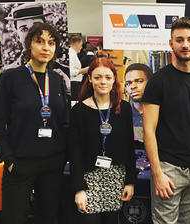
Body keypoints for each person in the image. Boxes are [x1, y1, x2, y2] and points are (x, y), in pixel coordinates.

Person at [142, 16, 190, 224]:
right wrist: (157, 173)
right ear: (171, 44)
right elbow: (148, 130)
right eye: (179, 40)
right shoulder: (158, 82)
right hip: (168, 169)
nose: (185, 44)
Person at [0, 23, 68, 224]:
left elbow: (64, 122)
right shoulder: (11, 78)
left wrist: (64, 156)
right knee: (13, 218)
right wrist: (8, 160)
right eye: (39, 41)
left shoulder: (57, 79)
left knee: (48, 218)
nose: (46, 48)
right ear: (29, 44)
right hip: (20, 162)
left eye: (51, 43)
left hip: (52, 163)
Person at [69, 57, 136, 224]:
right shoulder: (79, 110)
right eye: (97, 77)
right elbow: (74, 152)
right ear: (89, 79)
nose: (103, 82)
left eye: (107, 77)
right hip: (88, 180)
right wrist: (79, 188)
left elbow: (129, 147)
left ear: (114, 79)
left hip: (115, 178)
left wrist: (130, 182)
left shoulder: (125, 108)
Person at [3, 3, 70, 93]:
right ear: (18, 36)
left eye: (36, 26)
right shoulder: (8, 74)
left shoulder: (64, 73)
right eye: (23, 29)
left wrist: (68, 90)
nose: (31, 33)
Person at [124, 63, 153, 147]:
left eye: (139, 81)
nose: (133, 86)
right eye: (128, 83)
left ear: (151, 83)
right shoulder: (123, 115)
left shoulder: (163, 114)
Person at [69, 34, 89, 101]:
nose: (81, 47)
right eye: (81, 45)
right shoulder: (71, 54)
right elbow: (70, 71)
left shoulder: (73, 54)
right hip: (74, 84)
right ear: (77, 44)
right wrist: (84, 70)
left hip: (76, 83)